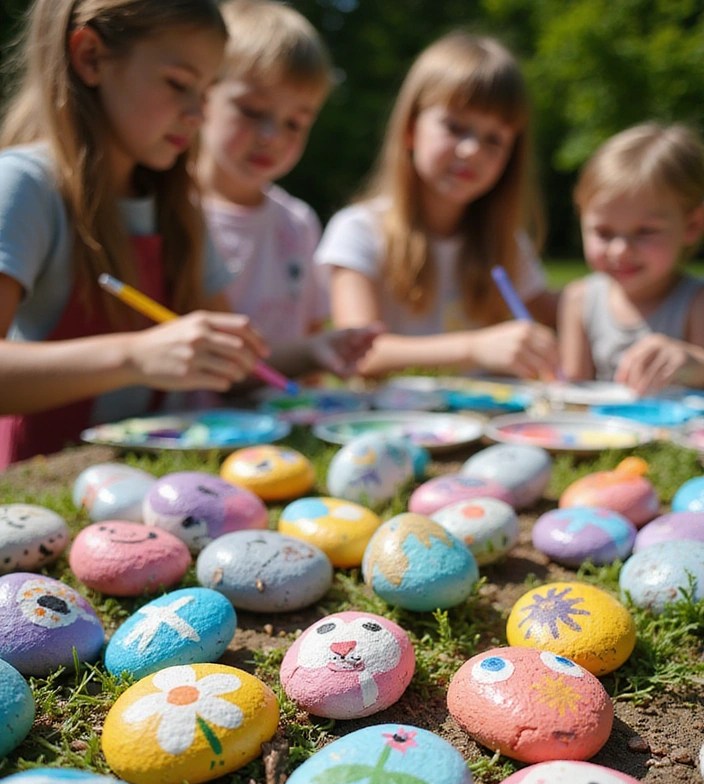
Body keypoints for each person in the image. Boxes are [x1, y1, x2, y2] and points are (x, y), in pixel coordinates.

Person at [0, 0, 269, 469]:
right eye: (179, 84)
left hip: (147, 484)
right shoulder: (25, 186)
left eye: (206, 93)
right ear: (90, 58)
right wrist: (136, 356)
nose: (197, 114)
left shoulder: (178, 212)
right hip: (35, 492)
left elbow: (228, 362)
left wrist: (309, 352)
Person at [314, 30, 559, 379]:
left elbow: (557, 316)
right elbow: (357, 354)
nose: (472, 150)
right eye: (455, 127)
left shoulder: (506, 242)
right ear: (410, 129)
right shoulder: (358, 231)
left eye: (494, 139)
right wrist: (476, 347)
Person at [198, 0, 377, 378]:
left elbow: (312, 344)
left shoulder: (298, 222)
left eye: (295, 123)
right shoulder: (172, 211)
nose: (271, 137)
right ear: (203, 96)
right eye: (251, 110)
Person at [559, 122, 704, 394]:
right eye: (603, 232)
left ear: (693, 225)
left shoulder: (696, 303)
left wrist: (692, 363)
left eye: (646, 232)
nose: (620, 251)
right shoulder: (580, 300)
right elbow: (573, 393)